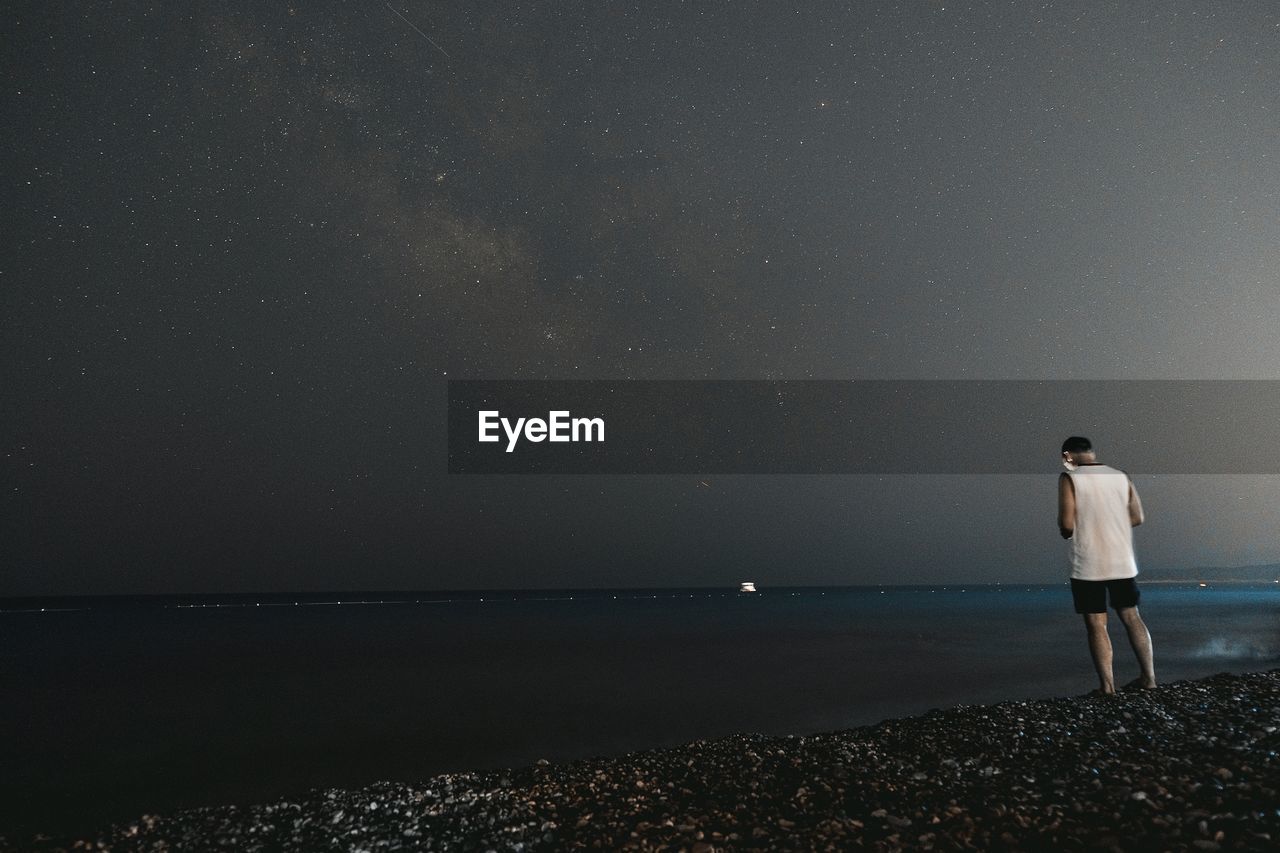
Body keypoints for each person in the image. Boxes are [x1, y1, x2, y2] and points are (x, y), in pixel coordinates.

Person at [1057, 436, 1156, 694]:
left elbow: (1067, 523)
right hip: (1121, 560)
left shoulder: (1070, 479)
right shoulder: (1120, 476)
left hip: (1088, 563)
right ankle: (1149, 679)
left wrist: (1070, 532)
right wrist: (1113, 525)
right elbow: (1137, 517)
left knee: (1096, 624)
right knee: (1132, 617)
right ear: (1091, 452)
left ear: (1068, 456)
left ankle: (1108, 687)